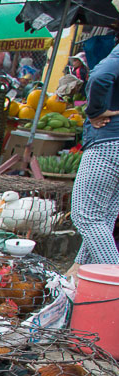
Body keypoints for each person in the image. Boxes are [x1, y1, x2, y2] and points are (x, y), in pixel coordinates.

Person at [70, 45, 119, 279]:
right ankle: (79, 272)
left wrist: (95, 111)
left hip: (109, 143)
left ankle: (114, 281)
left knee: (86, 216)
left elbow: (101, 77)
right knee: (105, 217)